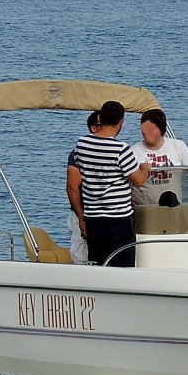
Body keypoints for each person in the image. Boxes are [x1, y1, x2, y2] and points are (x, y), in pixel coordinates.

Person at [73, 100, 149, 267]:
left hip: (93, 217)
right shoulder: (121, 149)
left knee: (98, 264)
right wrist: (145, 167)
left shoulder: (82, 144)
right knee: (122, 266)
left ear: (100, 118)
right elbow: (139, 181)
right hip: (118, 219)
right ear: (121, 122)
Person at [130, 108, 188, 206]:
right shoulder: (133, 152)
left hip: (173, 210)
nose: (145, 133)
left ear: (161, 129)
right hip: (144, 213)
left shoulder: (178, 146)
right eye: (143, 130)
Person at [66, 111, 99, 265]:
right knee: (82, 257)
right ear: (93, 128)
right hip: (85, 213)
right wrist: (81, 218)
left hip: (105, 216)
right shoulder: (78, 154)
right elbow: (72, 188)